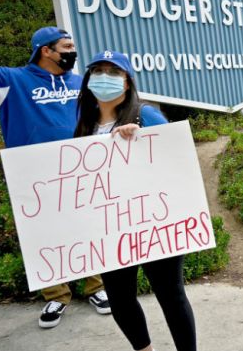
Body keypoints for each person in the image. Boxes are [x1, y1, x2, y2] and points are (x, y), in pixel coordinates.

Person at [74, 50, 196, 351]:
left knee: (170, 293)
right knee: (119, 297)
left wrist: (141, 139)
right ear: (88, 80)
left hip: (154, 221)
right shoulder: (83, 124)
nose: (105, 77)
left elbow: (177, 158)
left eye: (113, 72)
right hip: (110, 227)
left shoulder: (145, 115)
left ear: (127, 83)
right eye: (98, 71)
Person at [0, 26, 110, 328]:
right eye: (67, 46)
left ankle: (96, 287)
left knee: (89, 225)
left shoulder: (80, 82)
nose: (73, 52)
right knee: (44, 234)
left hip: (81, 168)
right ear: (46, 50)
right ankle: (56, 295)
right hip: (34, 174)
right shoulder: (11, 80)